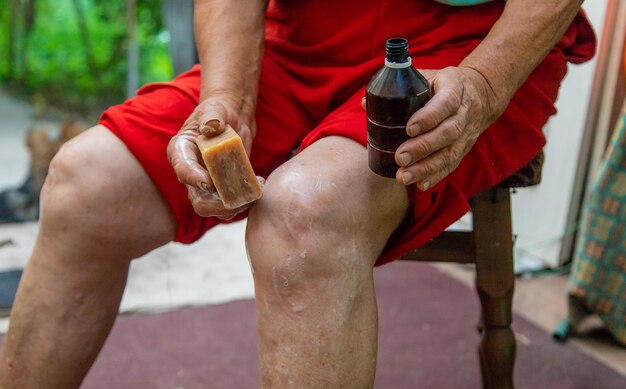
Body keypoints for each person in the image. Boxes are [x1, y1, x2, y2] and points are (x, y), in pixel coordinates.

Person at [0, 0, 595, 387]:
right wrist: (228, 95)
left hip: (469, 44)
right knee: (87, 181)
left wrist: (486, 84)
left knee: (305, 213)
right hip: (296, 39)